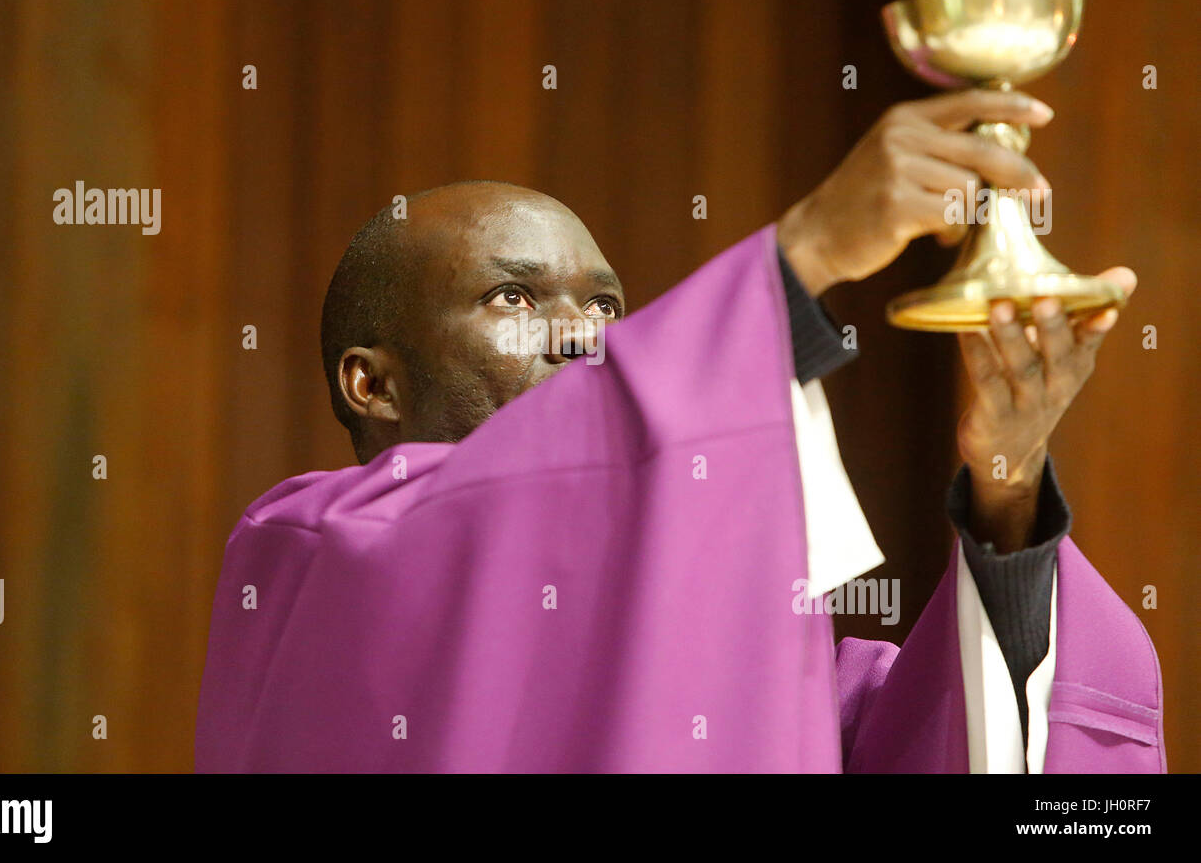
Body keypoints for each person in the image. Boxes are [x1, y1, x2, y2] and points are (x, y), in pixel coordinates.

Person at [196, 90, 1164, 772]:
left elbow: (960, 737)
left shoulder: (755, 675)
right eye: (511, 294)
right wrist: (809, 251)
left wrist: (1006, 488)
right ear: (372, 381)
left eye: (610, 305)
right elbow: (465, 534)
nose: (586, 333)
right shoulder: (306, 554)